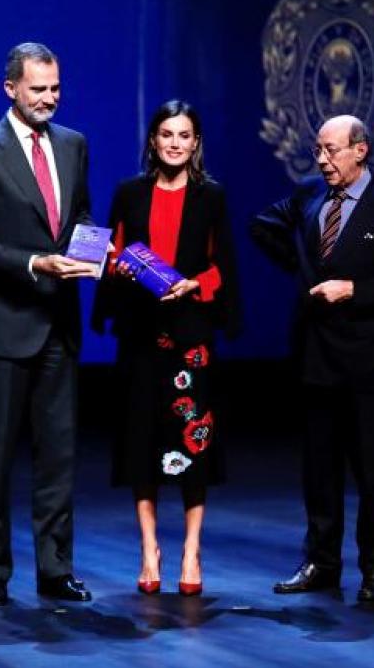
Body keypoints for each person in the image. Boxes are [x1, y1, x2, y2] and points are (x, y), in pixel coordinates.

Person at [250, 114, 374, 603]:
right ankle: (321, 563)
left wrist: (353, 289)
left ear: (360, 151)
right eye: (319, 151)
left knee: (372, 472)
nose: (322, 160)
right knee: (319, 470)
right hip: (315, 355)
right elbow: (263, 226)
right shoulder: (310, 194)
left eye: (331, 151)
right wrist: (302, 270)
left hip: (369, 360)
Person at [0, 42, 95, 606]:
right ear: (10, 88)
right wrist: (35, 263)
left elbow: (79, 216)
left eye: (55, 88)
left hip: (59, 322)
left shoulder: (74, 145)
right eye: (38, 89)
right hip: (5, 325)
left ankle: (55, 570)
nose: (49, 99)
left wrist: (89, 254)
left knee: (59, 455)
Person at [92, 100, 240, 596]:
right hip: (140, 337)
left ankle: (192, 550)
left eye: (184, 135)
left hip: (190, 338)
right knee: (141, 443)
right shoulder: (129, 193)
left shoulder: (211, 196)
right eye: (166, 134)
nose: (175, 143)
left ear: (196, 143)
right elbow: (107, 255)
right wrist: (121, 269)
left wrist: (195, 285)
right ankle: (149, 549)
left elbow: (225, 267)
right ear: (152, 141)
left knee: (192, 443)